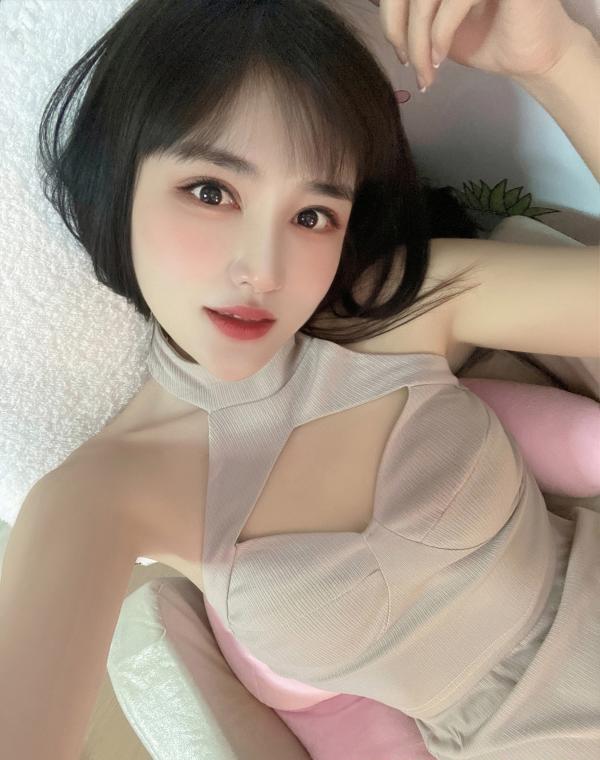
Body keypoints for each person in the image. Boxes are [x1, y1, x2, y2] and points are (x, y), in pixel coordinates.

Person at [1, 1, 597, 759]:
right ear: (118, 183)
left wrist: (557, 61)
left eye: (313, 214)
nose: (264, 270)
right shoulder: (103, 494)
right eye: (212, 191)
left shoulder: (395, 309)